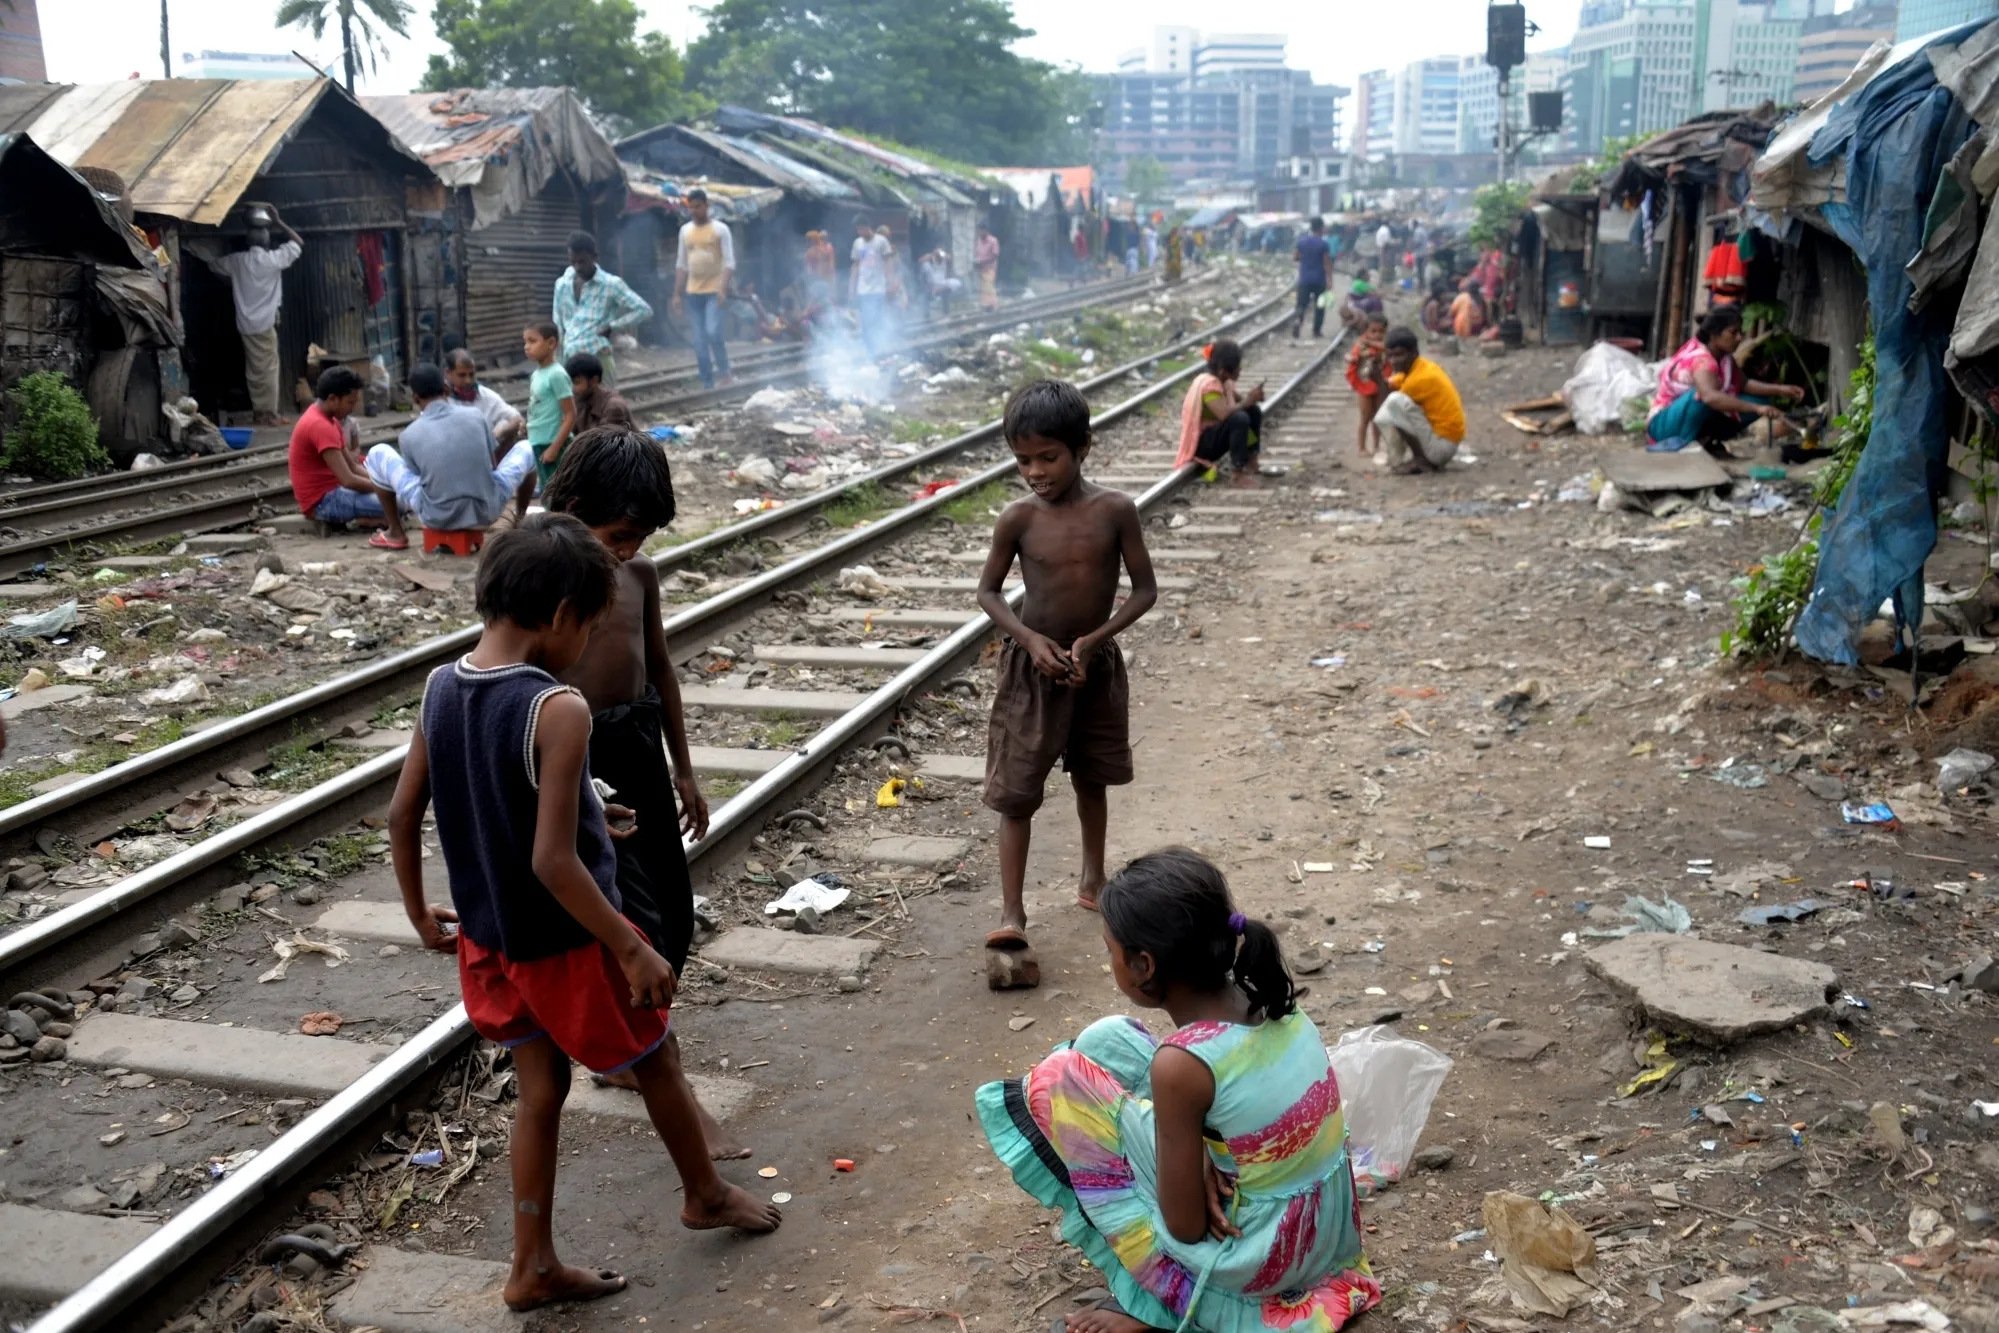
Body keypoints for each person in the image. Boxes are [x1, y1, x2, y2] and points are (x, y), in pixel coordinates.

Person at [387, 514, 780, 1314]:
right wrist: (629, 947)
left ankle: (531, 1263)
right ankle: (703, 1192)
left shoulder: (439, 686)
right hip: (568, 942)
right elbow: (552, 861)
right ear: (563, 614)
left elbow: (403, 813)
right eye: (592, 626)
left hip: (492, 942)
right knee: (656, 1057)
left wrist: (420, 912)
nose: (589, 642)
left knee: (541, 1088)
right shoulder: (557, 706)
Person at [974, 848, 1380, 1333]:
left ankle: (1158, 1302)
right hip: (1322, 1238)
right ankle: (1192, 1164)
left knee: (1057, 1078)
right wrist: (1203, 1153)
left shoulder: (1182, 1065)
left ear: (1144, 965)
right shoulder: (1270, 997)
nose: (1109, 961)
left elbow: (1185, 1226)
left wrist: (1189, 1159)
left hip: (1259, 1256)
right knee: (1107, 1039)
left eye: (1109, 951)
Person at [535, 429, 745, 1158]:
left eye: (637, 539)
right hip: (577, 756)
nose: (625, 552)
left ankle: (631, 1053)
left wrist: (683, 767)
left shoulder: (639, 574)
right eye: (617, 537)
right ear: (571, 510)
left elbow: (659, 667)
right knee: (635, 921)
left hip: (637, 743)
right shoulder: (541, 576)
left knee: (675, 913)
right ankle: (660, 1070)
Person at [975, 380, 1158, 959]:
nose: (1035, 472)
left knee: (1091, 777)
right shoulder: (1018, 519)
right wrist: (1029, 639)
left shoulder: (1115, 511)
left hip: (1093, 666)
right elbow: (988, 593)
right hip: (1032, 670)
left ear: (1083, 447)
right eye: (1023, 460)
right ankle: (1012, 912)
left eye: (1048, 457)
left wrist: (1094, 640)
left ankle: (1092, 880)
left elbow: (1144, 590)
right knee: (1016, 792)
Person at [364, 363, 537, 534]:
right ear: (446, 389)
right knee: (527, 447)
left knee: (377, 452)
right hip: (487, 511)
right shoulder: (476, 416)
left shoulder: (408, 435)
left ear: (415, 397)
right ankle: (519, 522)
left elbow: (418, 478)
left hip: (437, 517)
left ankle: (395, 531)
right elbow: (491, 465)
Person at [1646, 305, 1804, 452]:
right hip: (1664, 424)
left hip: (1688, 416)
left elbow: (1744, 384)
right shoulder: (1702, 360)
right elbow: (1709, 397)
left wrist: (1781, 390)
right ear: (1714, 335)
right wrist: (1756, 409)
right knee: (1703, 397)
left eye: (1740, 332)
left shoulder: (1724, 357)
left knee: (1760, 401)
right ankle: (1684, 443)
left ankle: (1707, 438)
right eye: (1733, 332)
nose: (1739, 338)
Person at [288, 366, 408, 549]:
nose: (352, 409)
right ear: (333, 399)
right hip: (322, 503)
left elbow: (353, 466)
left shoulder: (330, 420)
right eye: (350, 403)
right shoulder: (319, 425)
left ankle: (372, 517)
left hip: (336, 491)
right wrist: (385, 489)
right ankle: (368, 519)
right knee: (398, 504)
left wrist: (385, 483)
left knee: (395, 499)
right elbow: (348, 480)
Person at [210, 205, 303, 426]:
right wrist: (278, 221)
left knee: (254, 370)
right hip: (265, 323)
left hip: (245, 324)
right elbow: (298, 243)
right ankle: (267, 413)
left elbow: (213, 265)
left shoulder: (237, 261)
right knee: (268, 369)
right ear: (267, 242)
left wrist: (233, 281)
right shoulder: (273, 260)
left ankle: (261, 411)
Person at [554, 230, 653, 392]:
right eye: (573, 262)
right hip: (571, 356)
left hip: (598, 354)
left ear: (595, 257)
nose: (577, 267)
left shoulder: (611, 284)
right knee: (573, 404)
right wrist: (558, 361)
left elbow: (643, 310)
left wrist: (613, 327)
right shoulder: (562, 284)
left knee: (607, 403)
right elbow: (558, 323)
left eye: (582, 262)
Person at [1175, 339, 1265, 489]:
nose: (1240, 370)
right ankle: (1237, 475)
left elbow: (1242, 402)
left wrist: (1253, 398)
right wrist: (1248, 401)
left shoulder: (1224, 382)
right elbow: (1224, 414)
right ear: (1223, 371)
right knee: (1239, 418)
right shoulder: (1209, 386)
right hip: (1202, 446)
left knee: (1253, 411)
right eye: (1237, 368)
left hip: (1214, 437)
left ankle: (1251, 461)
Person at [1377, 327, 1466, 473]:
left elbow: (1388, 404)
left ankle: (1421, 460)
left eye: (1399, 355)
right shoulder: (1421, 366)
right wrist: (1378, 374)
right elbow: (1391, 383)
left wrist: (1378, 378)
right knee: (1395, 405)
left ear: (1414, 353)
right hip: (1446, 441)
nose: (1393, 361)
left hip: (1441, 449)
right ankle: (1412, 456)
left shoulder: (1418, 380)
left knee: (1394, 404)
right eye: (1390, 356)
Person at [523, 322, 576, 501]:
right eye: (525, 342)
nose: (527, 347)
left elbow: (570, 414)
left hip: (552, 443)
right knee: (548, 492)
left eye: (532, 341)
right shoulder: (537, 374)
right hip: (539, 440)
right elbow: (538, 404)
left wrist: (555, 447)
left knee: (558, 495)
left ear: (551, 343)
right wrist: (527, 424)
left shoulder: (556, 374)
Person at [444, 349, 524, 451]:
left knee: (505, 424)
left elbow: (517, 418)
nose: (468, 380)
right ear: (448, 373)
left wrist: (498, 434)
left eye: (471, 374)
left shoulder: (486, 395)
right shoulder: (442, 400)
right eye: (462, 375)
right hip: (457, 452)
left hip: (488, 452)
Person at [1345, 313, 1391, 458]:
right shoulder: (1361, 345)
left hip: (1381, 384)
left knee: (1378, 417)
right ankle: (1362, 447)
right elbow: (1352, 355)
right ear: (1367, 331)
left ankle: (1376, 446)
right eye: (1373, 331)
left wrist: (1371, 344)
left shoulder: (1386, 344)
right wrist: (1351, 358)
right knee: (1365, 417)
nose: (1377, 335)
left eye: (1381, 331)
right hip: (1365, 384)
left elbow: (1387, 348)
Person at [850, 219, 892, 357]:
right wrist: (852, 287)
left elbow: (888, 261)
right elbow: (855, 265)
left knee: (876, 319)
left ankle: (880, 348)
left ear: (868, 227)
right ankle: (871, 351)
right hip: (863, 288)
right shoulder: (857, 243)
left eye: (861, 228)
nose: (859, 232)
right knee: (865, 321)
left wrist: (889, 281)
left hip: (878, 287)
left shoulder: (881, 241)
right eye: (857, 229)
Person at [566, 352, 634, 434]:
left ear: (594, 380)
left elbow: (602, 441)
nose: (572, 388)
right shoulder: (581, 399)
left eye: (577, 382)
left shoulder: (613, 407)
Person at [1293, 216, 1333, 340]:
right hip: (1319, 280)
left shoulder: (1301, 241)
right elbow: (1326, 263)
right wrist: (1330, 279)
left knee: (1301, 305)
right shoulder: (1324, 244)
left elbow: (1295, 257)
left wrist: (1306, 258)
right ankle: (1316, 331)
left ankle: (1298, 320)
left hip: (1304, 279)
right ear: (1321, 228)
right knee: (1320, 306)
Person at [802, 229, 837, 301]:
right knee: (820, 298)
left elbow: (831, 262)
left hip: (826, 276)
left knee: (828, 297)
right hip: (818, 277)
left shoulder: (827, 247)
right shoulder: (810, 252)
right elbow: (808, 266)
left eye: (809, 240)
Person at [975, 225, 1002, 311]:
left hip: (990, 267)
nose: (979, 233)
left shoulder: (993, 241)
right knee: (983, 288)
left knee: (989, 286)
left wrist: (983, 261)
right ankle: (986, 306)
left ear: (985, 230)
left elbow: (995, 255)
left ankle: (993, 305)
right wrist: (977, 262)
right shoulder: (979, 241)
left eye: (980, 231)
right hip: (981, 268)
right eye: (978, 231)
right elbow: (978, 253)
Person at [1411, 219, 1432, 286]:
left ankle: (1421, 284)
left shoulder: (1417, 231)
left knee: (1420, 269)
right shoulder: (1423, 230)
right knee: (1422, 269)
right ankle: (1423, 283)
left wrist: (1412, 246)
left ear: (1414, 224)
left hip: (1419, 253)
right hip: (1424, 252)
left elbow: (1417, 242)